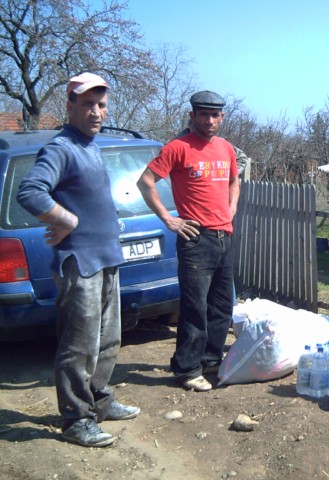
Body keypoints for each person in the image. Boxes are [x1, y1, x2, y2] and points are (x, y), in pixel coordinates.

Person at [17, 72, 140, 447]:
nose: (96, 112)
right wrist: (67, 220)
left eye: (101, 105)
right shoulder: (61, 147)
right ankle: (75, 420)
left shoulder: (90, 145)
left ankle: (99, 401)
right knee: (79, 346)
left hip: (105, 258)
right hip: (79, 263)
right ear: (70, 107)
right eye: (87, 104)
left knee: (107, 341)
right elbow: (30, 191)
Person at [137, 90, 239, 393]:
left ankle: (210, 359)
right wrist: (169, 220)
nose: (210, 119)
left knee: (221, 306)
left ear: (221, 117)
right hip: (196, 238)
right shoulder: (177, 148)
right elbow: (145, 182)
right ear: (192, 116)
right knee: (194, 307)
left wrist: (232, 207)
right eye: (203, 114)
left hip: (224, 236)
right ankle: (186, 368)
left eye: (215, 114)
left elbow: (235, 179)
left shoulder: (225, 148)